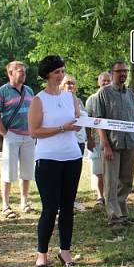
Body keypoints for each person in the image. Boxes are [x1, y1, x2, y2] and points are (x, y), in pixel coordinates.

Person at [28, 55, 83, 267]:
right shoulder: (38, 100)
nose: (61, 75)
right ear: (47, 75)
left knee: (67, 206)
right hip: (48, 158)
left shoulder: (71, 97)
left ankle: (65, 250)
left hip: (72, 156)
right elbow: (34, 131)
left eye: (62, 71)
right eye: (56, 72)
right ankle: (42, 254)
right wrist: (62, 128)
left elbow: (77, 120)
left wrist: (78, 125)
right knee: (50, 208)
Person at [87, 61, 134, 227]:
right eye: (119, 71)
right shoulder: (103, 93)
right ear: (112, 74)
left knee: (126, 180)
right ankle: (114, 217)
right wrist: (106, 145)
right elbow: (99, 121)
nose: (123, 74)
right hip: (112, 145)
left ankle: (123, 214)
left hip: (130, 143)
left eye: (125, 71)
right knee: (111, 181)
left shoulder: (130, 94)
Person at [0, 61, 35, 219]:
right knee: (8, 171)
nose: (23, 74)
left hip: (29, 135)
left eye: (24, 71)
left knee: (27, 170)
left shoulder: (29, 90)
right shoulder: (1, 92)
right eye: (19, 71)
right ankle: (5, 205)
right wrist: (5, 134)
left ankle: (24, 202)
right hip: (12, 135)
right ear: (10, 73)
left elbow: (35, 112)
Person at [60, 74, 87, 211]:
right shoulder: (58, 100)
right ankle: (60, 201)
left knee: (74, 174)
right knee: (62, 173)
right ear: (62, 85)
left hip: (79, 141)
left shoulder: (79, 101)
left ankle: (71, 200)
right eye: (67, 83)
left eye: (72, 83)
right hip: (64, 141)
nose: (70, 86)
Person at [84, 71, 112, 206]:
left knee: (111, 172)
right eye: (103, 81)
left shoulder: (115, 98)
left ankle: (111, 196)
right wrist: (88, 139)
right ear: (98, 82)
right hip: (96, 141)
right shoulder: (92, 99)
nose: (106, 83)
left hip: (113, 142)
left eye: (108, 80)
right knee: (98, 171)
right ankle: (100, 197)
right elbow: (87, 121)